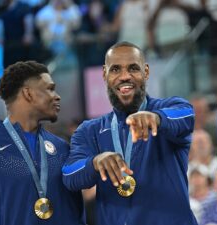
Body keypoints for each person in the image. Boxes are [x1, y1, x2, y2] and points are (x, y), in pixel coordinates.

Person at [62, 41, 197, 225]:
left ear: (146, 72)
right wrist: (94, 163)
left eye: (133, 68)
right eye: (115, 69)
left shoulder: (169, 108)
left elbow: (186, 115)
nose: (124, 76)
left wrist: (157, 119)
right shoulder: (90, 131)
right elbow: (69, 175)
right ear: (104, 74)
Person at [0, 61, 85, 224]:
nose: (57, 96)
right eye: (49, 89)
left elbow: (75, 216)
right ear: (28, 94)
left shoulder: (62, 149)